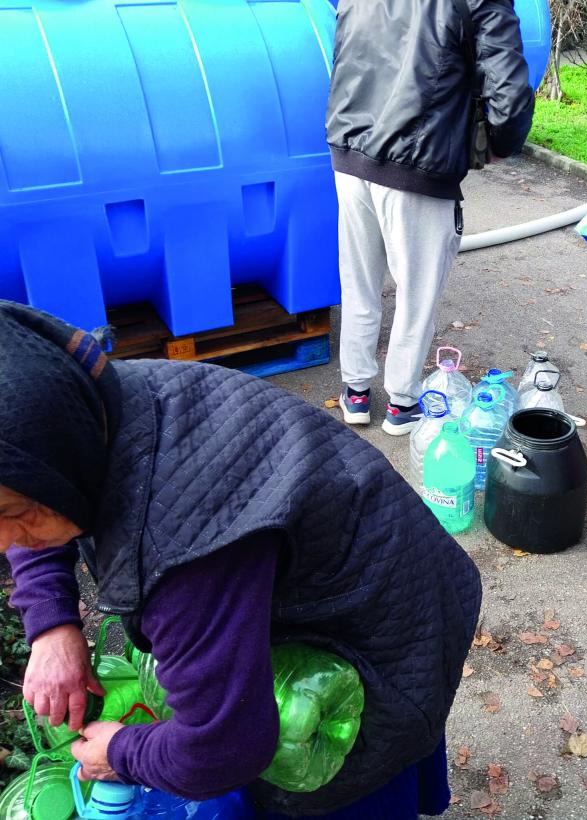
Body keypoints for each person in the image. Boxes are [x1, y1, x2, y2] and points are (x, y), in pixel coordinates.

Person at [0, 301, 482, 818]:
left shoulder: (181, 550)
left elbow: (224, 750)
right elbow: (32, 478)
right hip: (343, 544)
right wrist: (51, 624)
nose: (4, 542)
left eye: (12, 513)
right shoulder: (91, 404)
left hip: (392, 616)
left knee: (353, 764)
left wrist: (120, 753)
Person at [326, 0, 534, 435]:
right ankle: (402, 403)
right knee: (416, 295)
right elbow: (510, 94)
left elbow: (345, 55)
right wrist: (498, 146)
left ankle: (356, 392)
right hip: (419, 160)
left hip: (349, 151)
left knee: (359, 280)